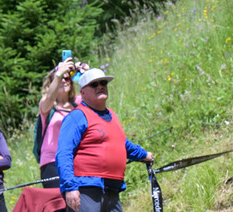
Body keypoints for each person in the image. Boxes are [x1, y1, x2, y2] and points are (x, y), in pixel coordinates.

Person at [56, 69, 154, 212]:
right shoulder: (77, 117)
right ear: (83, 92)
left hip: (112, 189)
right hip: (86, 189)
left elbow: (122, 144)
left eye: (103, 83)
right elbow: (64, 153)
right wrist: (70, 188)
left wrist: (144, 155)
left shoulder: (111, 114)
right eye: (94, 84)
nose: (100, 86)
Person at [37, 57, 88, 187]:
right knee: (58, 204)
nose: (63, 81)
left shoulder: (78, 103)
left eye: (67, 78)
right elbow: (50, 97)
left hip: (75, 159)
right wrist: (59, 74)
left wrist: (85, 72)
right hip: (52, 161)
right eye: (60, 79)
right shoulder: (47, 105)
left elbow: (92, 92)